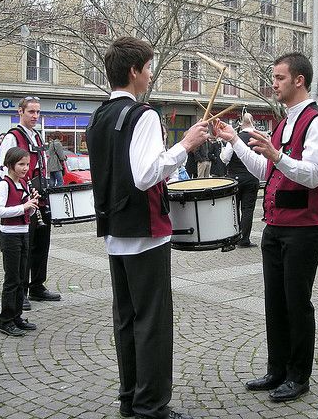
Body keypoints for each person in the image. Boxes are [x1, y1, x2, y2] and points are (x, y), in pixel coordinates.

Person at [86, 36, 208, 419]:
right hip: (144, 230)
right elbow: (144, 175)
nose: (152, 74)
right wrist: (185, 145)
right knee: (153, 322)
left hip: (114, 230)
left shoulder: (98, 117)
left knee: (126, 320)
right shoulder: (144, 114)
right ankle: (151, 405)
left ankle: (130, 399)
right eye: (149, 67)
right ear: (135, 71)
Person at [214, 52, 318, 402]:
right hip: (277, 226)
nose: (274, 82)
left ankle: (299, 375)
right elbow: (267, 172)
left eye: (280, 77)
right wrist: (234, 141)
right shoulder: (284, 123)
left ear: (299, 80)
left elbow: (313, 174)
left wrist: (276, 155)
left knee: (297, 303)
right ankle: (277, 368)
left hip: (305, 227)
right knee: (275, 301)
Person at [0, 97, 61, 311]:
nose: (35, 116)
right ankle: (21, 291)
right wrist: (23, 195)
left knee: (42, 244)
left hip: (41, 196)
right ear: (20, 112)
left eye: (38, 112)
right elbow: (4, 169)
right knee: (25, 246)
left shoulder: (36, 135)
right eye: (31, 112)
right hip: (26, 200)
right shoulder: (12, 137)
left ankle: (37, 286)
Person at [0, 147, 40, 336]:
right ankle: (6, 320)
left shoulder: (24, 184)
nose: (25, 168)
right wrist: (24, 206)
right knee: (12, 280)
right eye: (21, 164)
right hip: (10, 235)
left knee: (22, 279)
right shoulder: (3, 185)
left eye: (27, 164)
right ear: (10, 164)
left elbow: (28, 212)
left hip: (24, 232)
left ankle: (17, 316)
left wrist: (32, 205)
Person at [220, 112, 260, 248]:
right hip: (251, 178)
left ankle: (234, 237)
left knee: (234, 208)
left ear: (241, 123)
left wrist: (221, 153)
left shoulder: (235, 138)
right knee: (248, 209)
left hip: (235, 178)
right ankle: (245, 239)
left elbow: (225, 158)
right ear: (253, 121)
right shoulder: (259, 137)